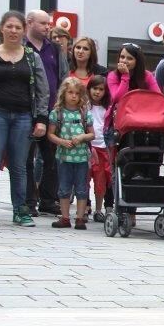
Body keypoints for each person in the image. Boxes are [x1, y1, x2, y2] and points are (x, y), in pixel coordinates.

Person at [0, 10, 50, 227]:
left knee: (20, 165)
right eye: (9, 26)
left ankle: (21, 210)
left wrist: (41, 118)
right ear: (1, 28)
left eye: (18, 27)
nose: (13, 31)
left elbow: (43, 90)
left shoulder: (32, 57)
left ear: (24, 31)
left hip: (23, 115)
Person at [25, 9, 69, 217]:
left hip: (52, 110)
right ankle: (28, 201)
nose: (47, 27)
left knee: (52, 157)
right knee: (25, 158)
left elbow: (63, 77)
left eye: (48, 23)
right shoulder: (21, 46)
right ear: (30, 22)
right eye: (43, 23)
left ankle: (48, 200)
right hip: (26, 109)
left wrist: (61, 106)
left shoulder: (54, 49)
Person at [47, 78, 94, 230]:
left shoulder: (84, 113)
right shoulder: (57, 113)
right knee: (64, 187)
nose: (74, 96)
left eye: (77, 93)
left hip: (81, 157)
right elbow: (51, 134)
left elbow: (92, 134)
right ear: (64, 94)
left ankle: (80, 217)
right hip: (64, 156)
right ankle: (65, 217)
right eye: (70, 92)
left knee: (82, 187)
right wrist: (61, 141)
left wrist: (82, 137)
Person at [86, 75, 111, 222]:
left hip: (102, 147)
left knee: (100, 181)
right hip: (88, 147)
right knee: (84, 180)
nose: (97, 92)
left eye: (101, 89)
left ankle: (98, 209)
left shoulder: (107, 108)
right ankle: (84, 207)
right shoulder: (84, 107)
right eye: (94, 88)